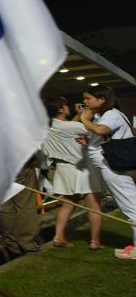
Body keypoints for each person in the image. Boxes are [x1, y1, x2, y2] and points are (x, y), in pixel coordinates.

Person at [78, 85, 136, 258]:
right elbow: (102, 135)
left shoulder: (111, 114)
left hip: (113, 167)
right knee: (130, 203)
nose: (85, 102)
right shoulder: (108, 115)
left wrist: (84, 119)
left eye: (88, 98)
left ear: (102, 99)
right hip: (113, 165)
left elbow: (102, 130)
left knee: (130, 206)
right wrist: (88, 140)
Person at [40, 95, 103, 249]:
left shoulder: (50, 126)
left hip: (63, 168)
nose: (68, 107)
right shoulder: (70, 127)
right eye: (66, 105)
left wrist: (78, 115)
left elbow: (68, 126)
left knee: (68, 204)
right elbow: (98, 131)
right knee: (94, 204)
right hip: (82, 167)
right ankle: (95, 241)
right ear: (61, 109)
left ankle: (58, 237)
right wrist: (86, 116)